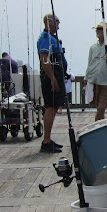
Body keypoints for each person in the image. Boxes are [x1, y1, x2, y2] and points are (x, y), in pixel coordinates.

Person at [37, 14, 66, 153]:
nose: (58, 26)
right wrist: (52, 79)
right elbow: (45, 59)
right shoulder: (45, 38)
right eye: (57, 22)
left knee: (54, 107)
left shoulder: (52, 38)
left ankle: (48, 138)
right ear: (49, 22)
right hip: (51, 76)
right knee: (50, 107)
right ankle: (46, 141)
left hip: (58, 74)